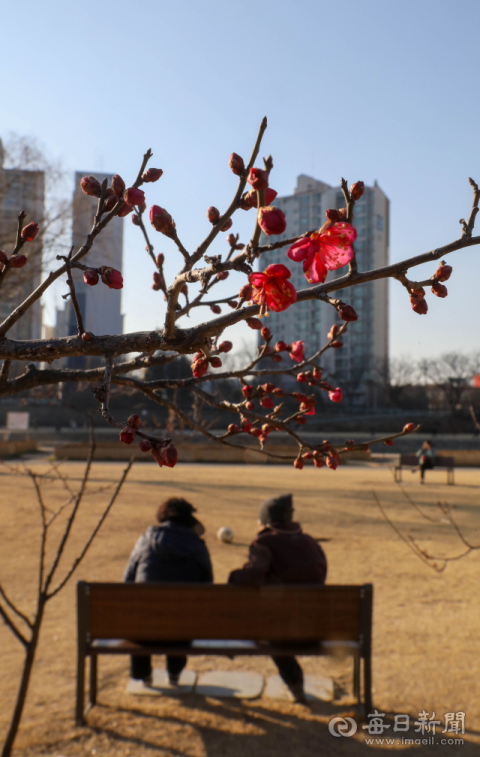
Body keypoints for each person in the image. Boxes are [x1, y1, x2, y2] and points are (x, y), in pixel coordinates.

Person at [228, 493, 327, 703]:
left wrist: (233, 576)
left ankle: (295, 685)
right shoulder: (310, 542)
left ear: (265, 521)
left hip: (279, 628)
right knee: (279, 621)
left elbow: (252, 577)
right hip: (316, 626)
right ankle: (297, 688)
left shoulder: (264, 542)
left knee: (274, 628)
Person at [123, 497, 213, 685]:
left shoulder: (145, 541)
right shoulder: (198, 546)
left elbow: (128, 581)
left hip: (144, 628)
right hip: (181, 628)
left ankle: (143, 674)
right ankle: (174, 673)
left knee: (139, 612)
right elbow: (207, 587)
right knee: (182, 613)